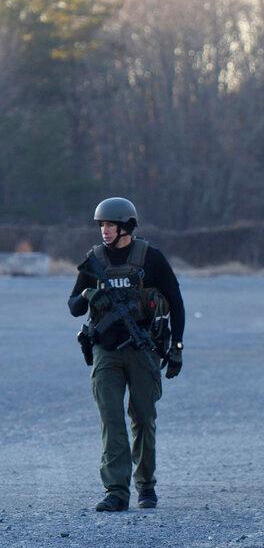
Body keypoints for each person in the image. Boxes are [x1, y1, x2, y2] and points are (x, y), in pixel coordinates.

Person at [68, 198, 185, 512]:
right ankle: (116, 491)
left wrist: (177, 349)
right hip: (105, 351)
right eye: (101, 225)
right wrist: (89, 293)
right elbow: (73, 307)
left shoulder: (151, 258)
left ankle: (146, 486)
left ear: (126, 227)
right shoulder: (94, 259)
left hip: (142, 350)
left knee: (143, 418)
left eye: (110, 225)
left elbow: (176, 302)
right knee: (111, 419)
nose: (104, 230)